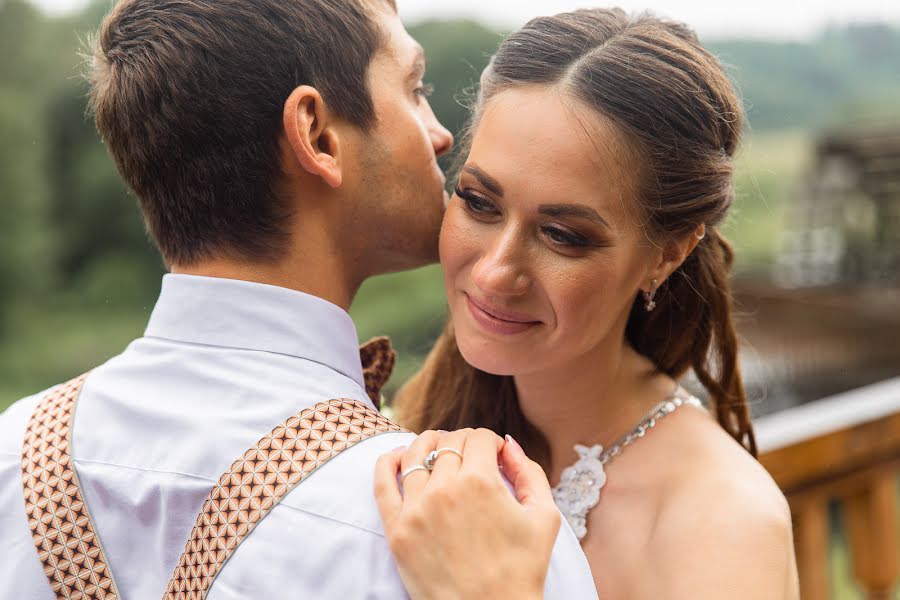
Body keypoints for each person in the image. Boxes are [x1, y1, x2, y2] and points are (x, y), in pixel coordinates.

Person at [0, 0, 598, 598]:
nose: (442, 134)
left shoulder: (15, 454)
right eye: (416, 87)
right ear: (317, 136)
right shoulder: (488, 537)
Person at [376, 8, 800, 599]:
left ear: (667, 254)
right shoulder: (423, 418)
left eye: (565, 236)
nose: (497, 273)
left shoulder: (724, 521)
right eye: (478, 202)